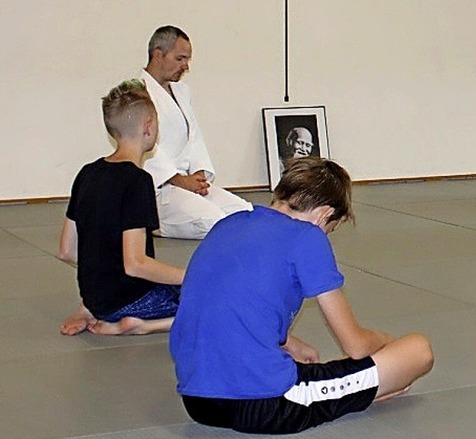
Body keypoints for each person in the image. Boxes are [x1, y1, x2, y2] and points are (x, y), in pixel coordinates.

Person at [169, 157, 434, 434]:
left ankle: (363, 390)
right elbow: (355, 346)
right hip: (269, 402)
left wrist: (288, 342)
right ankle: (362, 392)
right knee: (418, 350)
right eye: (330, 230)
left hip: (197, 400)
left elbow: (232, 302)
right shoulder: (307, 236)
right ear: (322, 215)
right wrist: (386, 342)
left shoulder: (228, 224)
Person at [58, 79, 185, 336]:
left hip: (96, 299)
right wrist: (190, 275)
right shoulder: (138, 181)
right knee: (217, 297)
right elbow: (135, 264)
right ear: (148, 127)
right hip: (132, 301)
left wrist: (102, 280)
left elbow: (66, 251)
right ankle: (141, 325)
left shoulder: (87, 173)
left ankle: (89, 310)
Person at [141, 25, 252, 239]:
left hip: (187, 183)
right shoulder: (137, 92)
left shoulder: (182, 92)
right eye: (180, 59)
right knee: (216, 222)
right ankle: (155, 223)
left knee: (244, 213)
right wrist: (177, 180)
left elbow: (194, 139)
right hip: (160, 189)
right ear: (158, 54)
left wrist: (199, 175)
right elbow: (143, 145)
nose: (185, 66)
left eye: (187, 60)